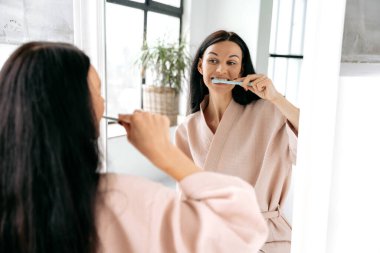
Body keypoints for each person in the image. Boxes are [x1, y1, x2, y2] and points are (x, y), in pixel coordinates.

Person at [0, 41, 268, 253]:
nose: (221, 70)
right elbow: (241, 230)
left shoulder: (264, 114)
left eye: (232, 62)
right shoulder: (123, 200)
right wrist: (163, 151)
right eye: (98, 92)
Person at [175, 30, 299, 253]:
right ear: (201, 66)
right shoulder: (187, 129)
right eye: (213, 60)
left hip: (262, 238)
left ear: (242, 69)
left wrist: (277, 98)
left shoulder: (270, 111)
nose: (222, 69)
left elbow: (316, 142)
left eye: (232, 62)